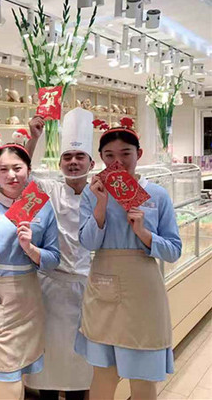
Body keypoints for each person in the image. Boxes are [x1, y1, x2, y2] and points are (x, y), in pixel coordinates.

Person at [75, 127, 182, 400]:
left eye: (125, 153)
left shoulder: (157, 194)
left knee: (143, 375)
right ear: (100, 158)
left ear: (139, 154)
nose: (118, 162)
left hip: (144, 290)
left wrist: (144, 233)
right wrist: (100, 204)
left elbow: (173, 250)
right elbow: (87, 243)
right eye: (109, 155)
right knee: (104, 373)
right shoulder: (92, 192)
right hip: (103, 284)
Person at [0, 142, 60, 400]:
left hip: (28, 296)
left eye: (17, 168)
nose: (11, 175)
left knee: (18, 377)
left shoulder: (41, 206)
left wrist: (31, 249)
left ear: (28, 169)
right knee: (5, 379)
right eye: (3, 169)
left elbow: (53, 258)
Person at [22, 109, 95, 400]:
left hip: (88, 289)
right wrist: (33, 139)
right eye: (68, 157)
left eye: (79, 157)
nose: (73, 162)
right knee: (48, 360)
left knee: (82, 360)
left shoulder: (100, 193)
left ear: (91, 162)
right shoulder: (50, 189)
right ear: (60, 162)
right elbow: (23, 176)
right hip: (50, 287)